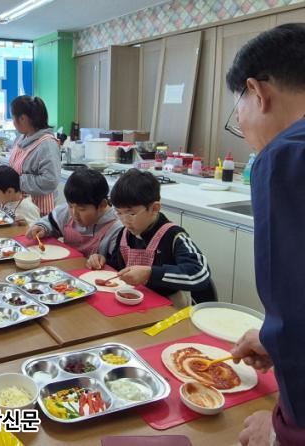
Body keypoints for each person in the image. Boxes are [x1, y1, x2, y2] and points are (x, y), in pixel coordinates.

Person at [223, 24, 305, 446]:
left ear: (256, 91)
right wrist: (275, 341)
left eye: (237, 112)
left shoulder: (286, 155)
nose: (242, 126)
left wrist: (282, 430)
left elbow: (295, 313)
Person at [87, 169, 212, 308]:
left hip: (169, 309)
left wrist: (150, 273)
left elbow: (200, 273)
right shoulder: (125, 234)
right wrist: (102, 260)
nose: (124, 221)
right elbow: (118, 266)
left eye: (131, 214)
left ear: (154, 208)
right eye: (119, 213)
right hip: (136, 303)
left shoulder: (174, 236)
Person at [26, 167, 121, 257]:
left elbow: (114, 264)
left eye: (82, 209)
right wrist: (42, 228)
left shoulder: (116, 228)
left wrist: (100, 259)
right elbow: (49, 224)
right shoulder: (65, 212)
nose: (74, 214)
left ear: (102, 205)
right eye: (70, 206)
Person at [7, 96, 60, 216]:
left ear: (22, 118)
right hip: (19, 207)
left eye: (13, 118)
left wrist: (15, 181)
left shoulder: (47, 144)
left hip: (37, 211)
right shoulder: (22, 137)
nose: (13, 122)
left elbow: (50, 180)